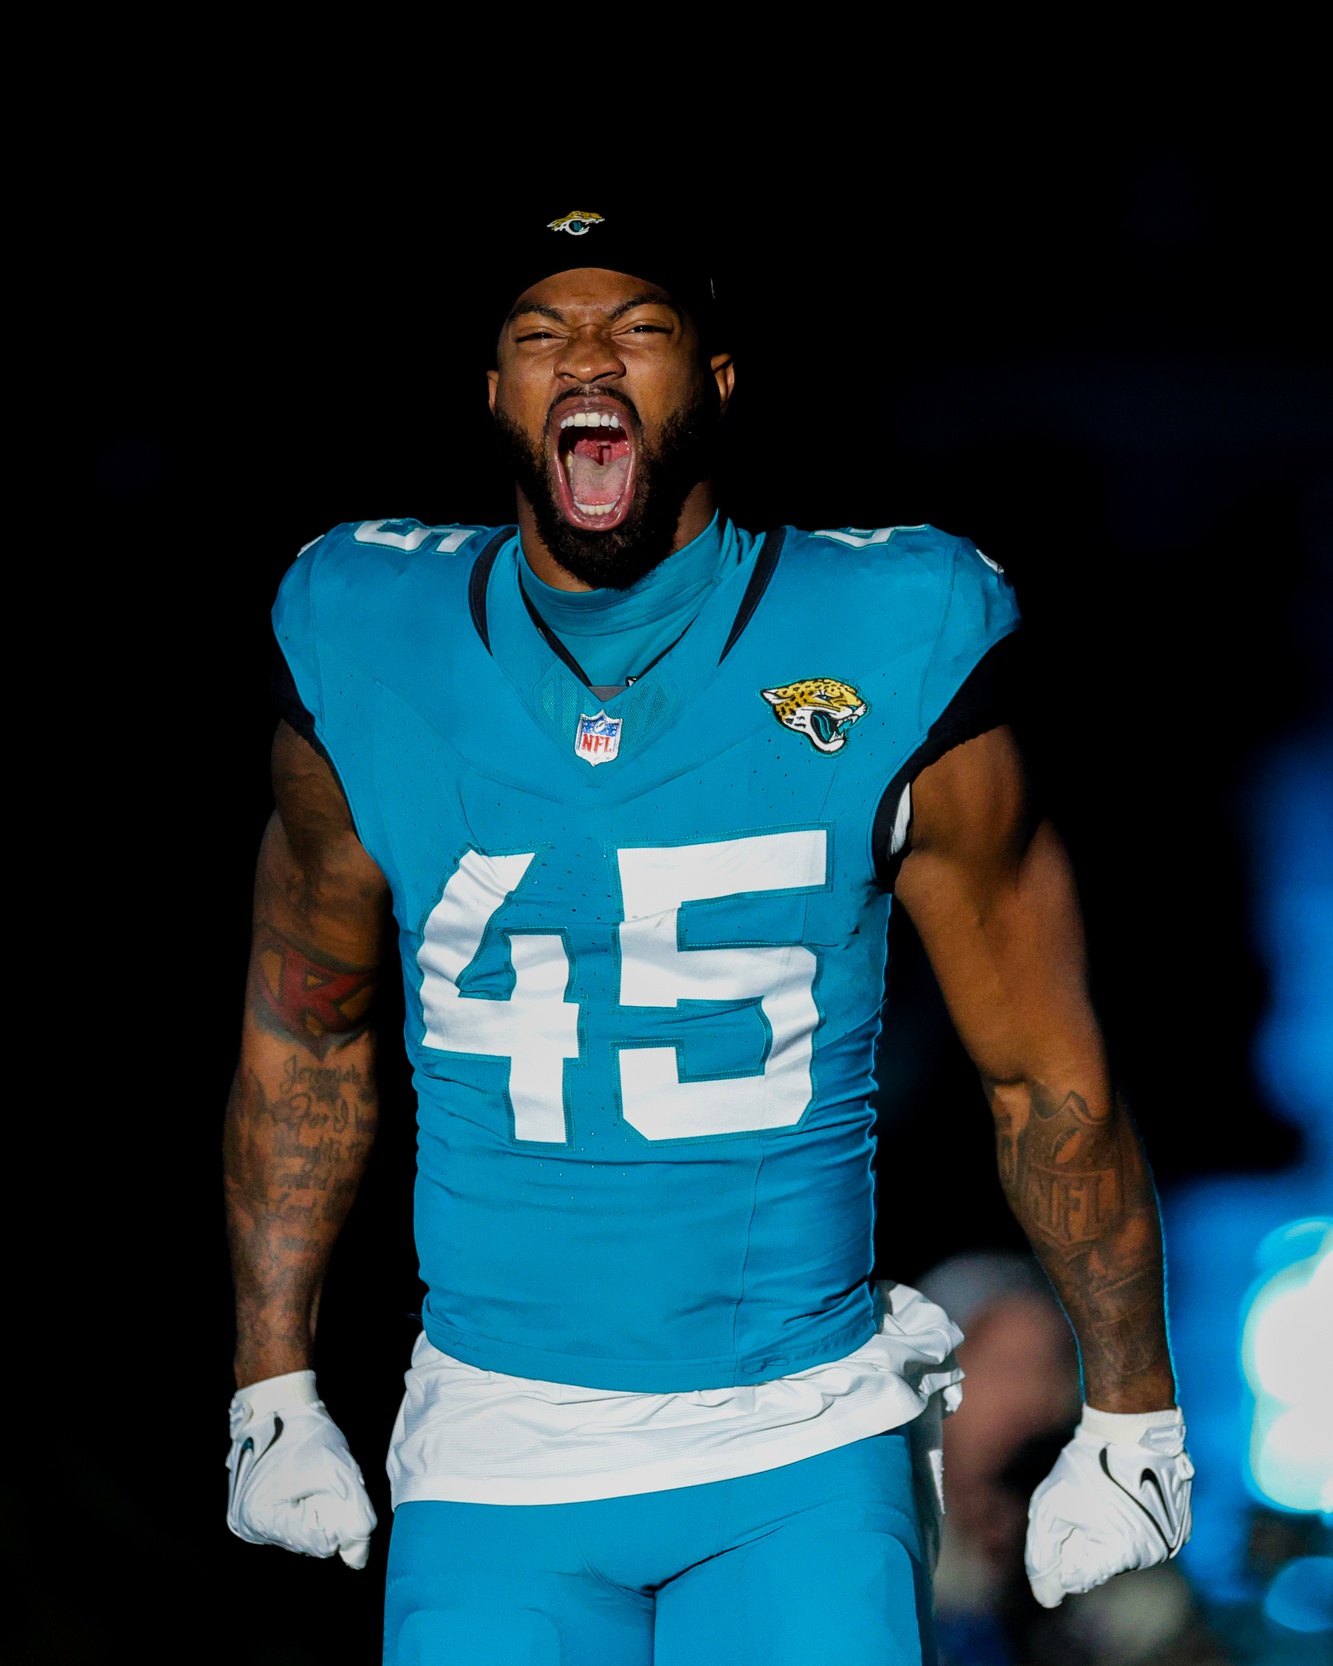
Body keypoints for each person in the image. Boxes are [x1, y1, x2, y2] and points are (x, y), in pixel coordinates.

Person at [223, 206, 1194, 1665]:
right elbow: (307, 1028)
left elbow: (1043, 1068)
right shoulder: (367, 624)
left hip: (792, 1444)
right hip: (495, 1446)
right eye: (539, 332)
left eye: (638, 326)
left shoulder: (887, 622)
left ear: (719, 381)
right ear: (494, 394)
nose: (585, 356)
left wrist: (1133, 1404)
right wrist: (270, 1380)